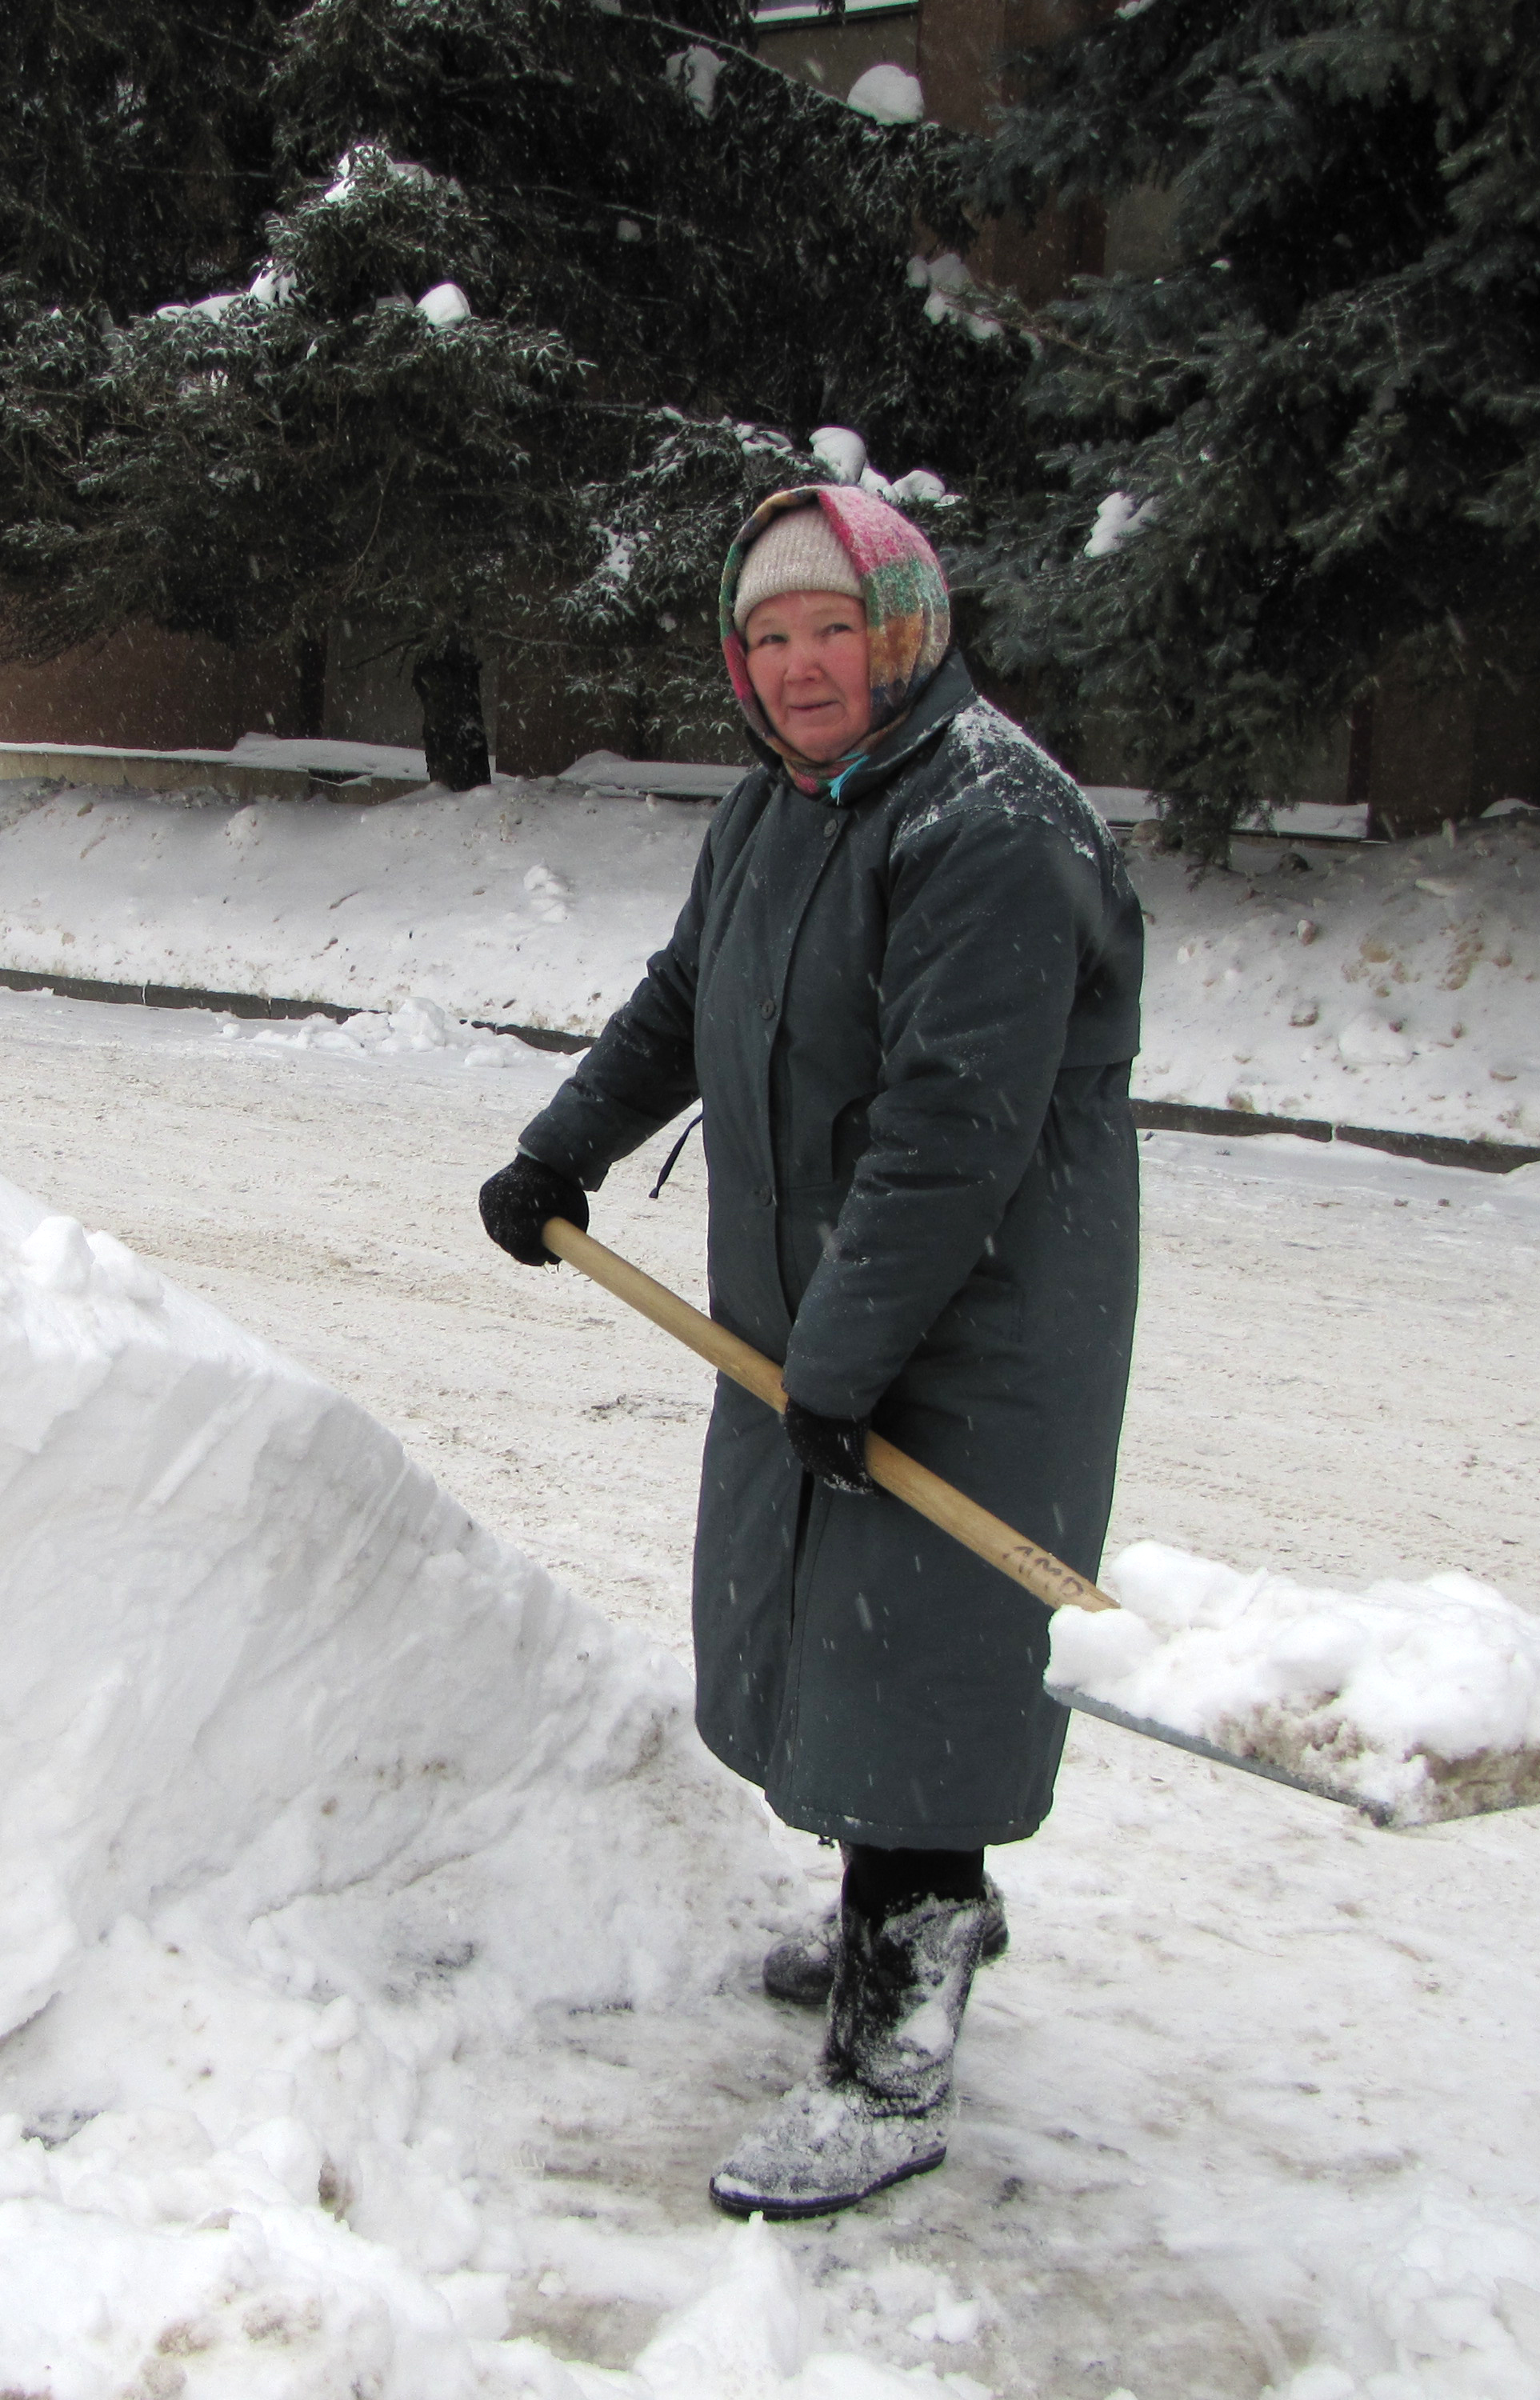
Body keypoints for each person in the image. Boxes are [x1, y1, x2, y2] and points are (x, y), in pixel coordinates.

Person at [477, 484, 1143, 2218]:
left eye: (826, 632)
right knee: (833, 1634)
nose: (794, 670)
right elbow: (683, 1002)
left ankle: (890, 2043)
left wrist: (845, 1354)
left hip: (968, 1321)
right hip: (824, 1312)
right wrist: (565, 1147)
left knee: (917, 1648)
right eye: (764, 641)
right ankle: (918, 1900)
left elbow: (948, 1134)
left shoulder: (991, 822)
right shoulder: (780, 811)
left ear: (901, 630)